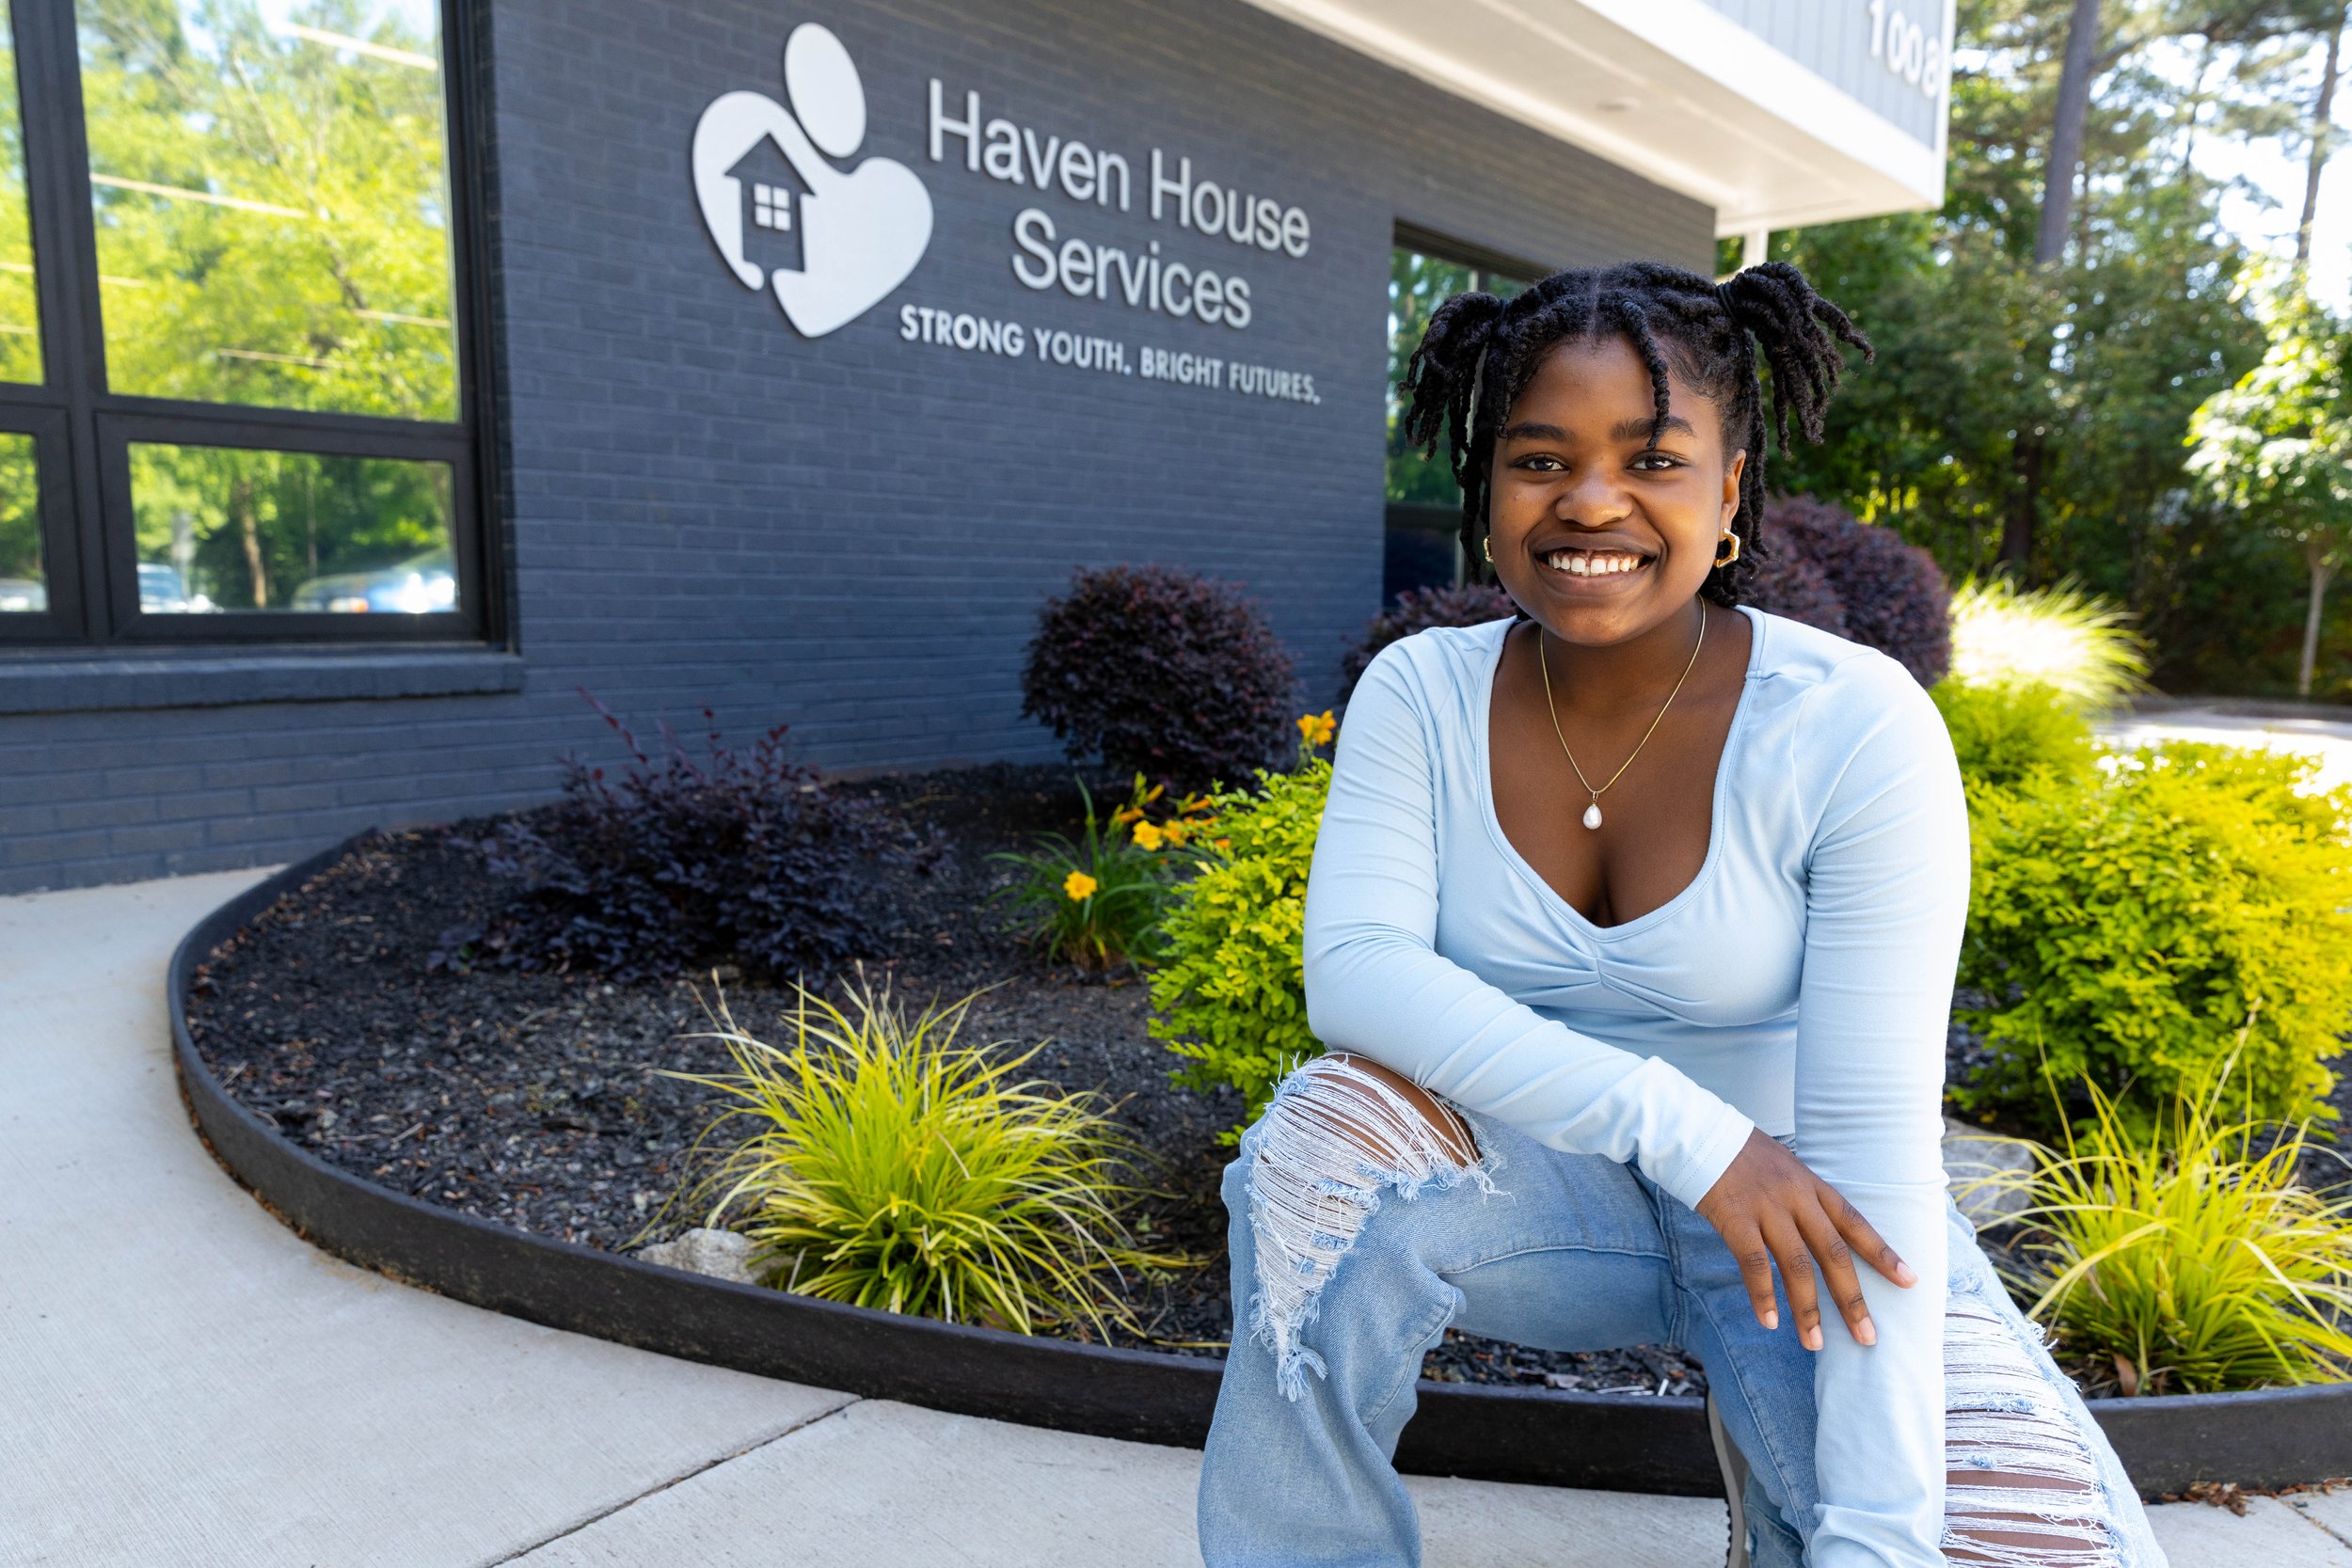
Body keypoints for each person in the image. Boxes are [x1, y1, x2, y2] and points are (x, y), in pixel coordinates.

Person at [1193, 260, 2167, 1568]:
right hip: (1538, 1192)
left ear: (1730, 489)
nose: (1589, 500)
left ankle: (1805, 1508)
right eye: (1540, 457)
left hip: (1799, 1216)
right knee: (1316, 1153)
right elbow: (1359, 977)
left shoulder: (1852, 723)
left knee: (2022, 1542)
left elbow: (1876, 1153)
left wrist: (1882, 1538)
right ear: (1488, 492)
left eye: (1651, 458)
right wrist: (1691, 1135)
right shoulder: (1421, 692)